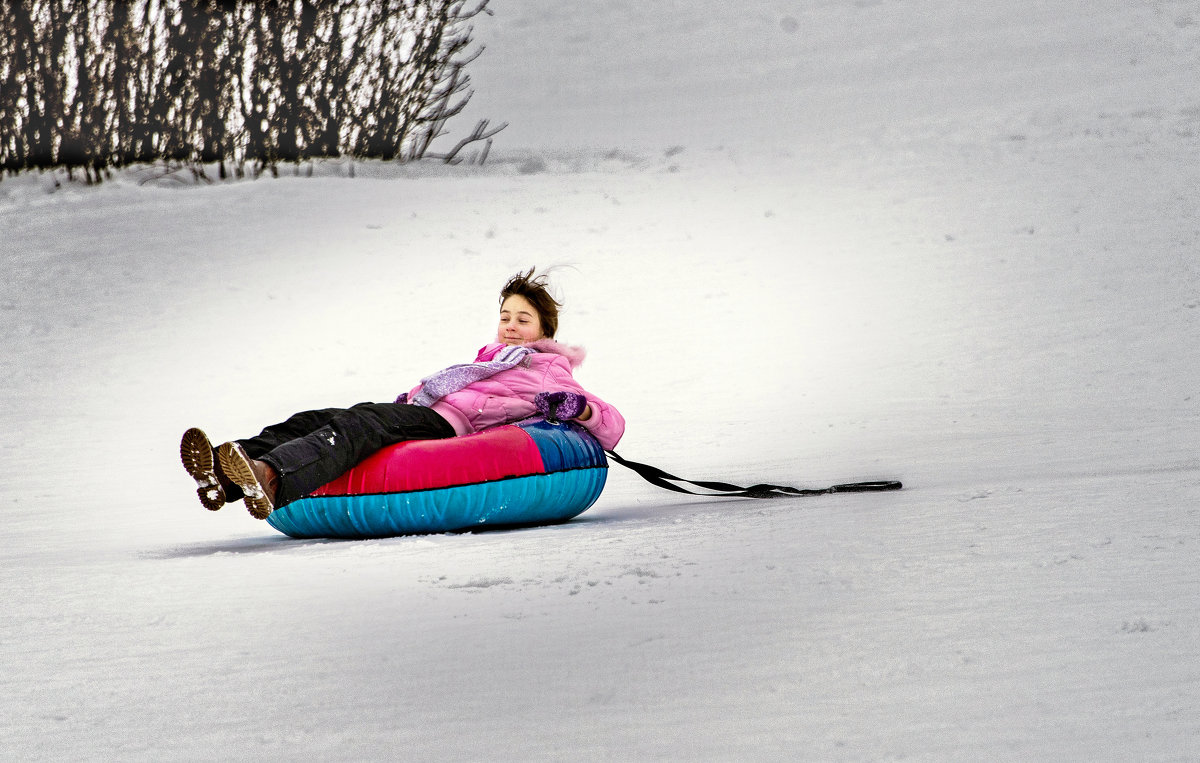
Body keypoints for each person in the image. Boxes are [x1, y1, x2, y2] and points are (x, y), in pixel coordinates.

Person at [180, 268, 625, 520]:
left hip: (448, 427)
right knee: (313, 419)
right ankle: (224, 473)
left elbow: (611, 425)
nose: (510, 326)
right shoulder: (488, 360)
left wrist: (579, 408)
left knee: (360, 426)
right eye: (505, 316)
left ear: (545, 330)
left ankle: (270, 476)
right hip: (423, 411)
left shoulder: (548, 368)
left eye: (522, 320)